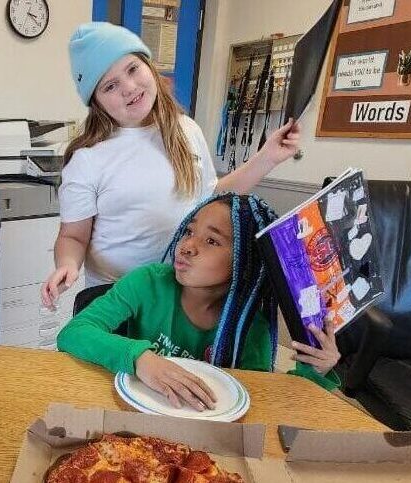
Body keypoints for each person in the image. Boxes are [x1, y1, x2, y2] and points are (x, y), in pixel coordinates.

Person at [42, 22, 301, 309]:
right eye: (110, 86)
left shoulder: (186, 130)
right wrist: (67, 264)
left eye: (132, 69)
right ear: (97, 102)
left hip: (183, 294)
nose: (129, 88)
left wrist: (267, 157)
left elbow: (211, 198)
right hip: (116, 299)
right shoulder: (88, 158)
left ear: (149, 66)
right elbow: (73, 236)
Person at [57, 193, 341, 411]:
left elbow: (262, 404)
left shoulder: (250, 327)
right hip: (130, 412)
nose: (187, 246)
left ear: (244, 262)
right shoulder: (147, 282)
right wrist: (141, 359)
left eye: (212, 241)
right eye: (190, 232)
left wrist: (315, 371)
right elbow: (74, 333)